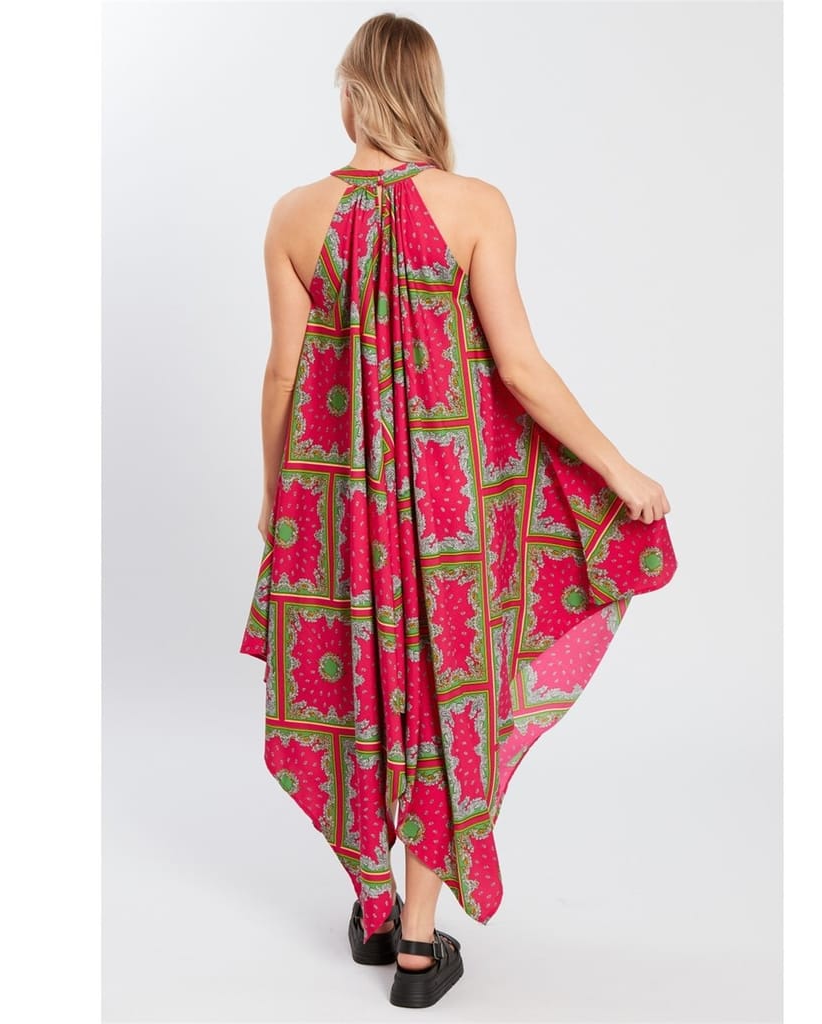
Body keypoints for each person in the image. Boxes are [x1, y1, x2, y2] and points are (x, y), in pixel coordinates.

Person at [239, 12, 677, 1009]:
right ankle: (415, 942)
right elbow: (520, 370)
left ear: (350, 96)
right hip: (448, 517)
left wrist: (275, 500)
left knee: (352, 684)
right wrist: (615, 470)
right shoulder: (475, 206)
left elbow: (282, 375)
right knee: (445, 693)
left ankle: (373, 902)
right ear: (426, 94)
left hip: (337, 508)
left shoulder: (293, 215)